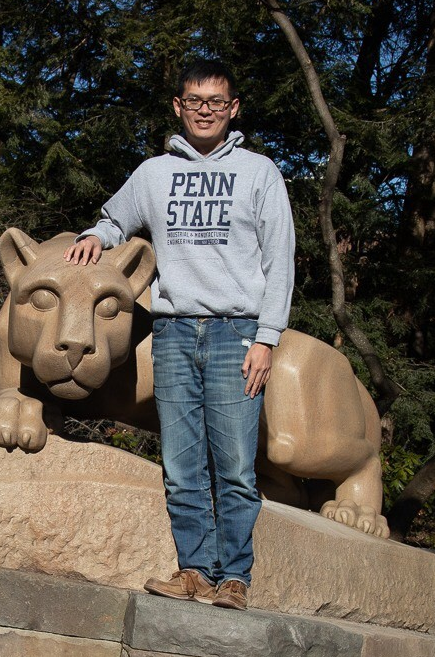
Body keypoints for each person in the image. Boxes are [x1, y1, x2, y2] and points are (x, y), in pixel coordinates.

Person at [63, 59, 295, 610]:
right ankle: (193, 571)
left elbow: (280, 258)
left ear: (233, 108)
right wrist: (95, 235)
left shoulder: (260, 173)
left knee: (236, 464)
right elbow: (115, 219)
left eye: (217, 101)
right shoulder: (153, 174)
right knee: (182, 464)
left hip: (236, 333)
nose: (206, 110)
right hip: (171, 332)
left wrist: (267, 337)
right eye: (195, 101)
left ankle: (234, 578)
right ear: (179, 107)